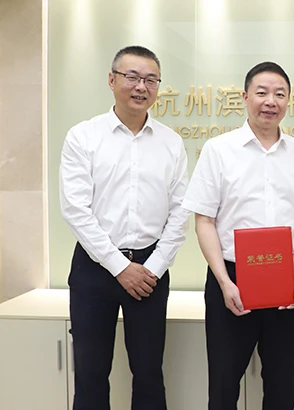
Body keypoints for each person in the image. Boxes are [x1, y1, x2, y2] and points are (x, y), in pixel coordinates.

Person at [182, 61, 294, 410]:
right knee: (224, 383)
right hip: (230, 279)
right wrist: (224, 282)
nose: (270, 101)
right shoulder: (218, 150)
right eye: (262, 93)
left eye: (279, 94)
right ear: (245, 97)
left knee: (281, 382)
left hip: (284, 280)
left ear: (288, 101)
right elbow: (204, 221)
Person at [59, 45, 189, 410]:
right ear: (112, 80)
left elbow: (181, 212)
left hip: (149, 270)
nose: (141, 86)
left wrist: (153, 267)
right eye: (132, 77)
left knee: (148, 372)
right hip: (94, 268)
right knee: (90, 372)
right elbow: (75, 209)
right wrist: (119, 266)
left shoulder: (171, 142)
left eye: (151, 79)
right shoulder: (83, 137)